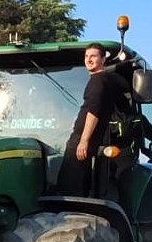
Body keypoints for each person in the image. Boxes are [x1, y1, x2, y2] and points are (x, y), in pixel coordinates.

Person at [57, 43, 136, 199]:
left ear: (103, 59)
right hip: (87, 141)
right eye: (86, 56)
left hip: (80, 140)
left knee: (69, 189)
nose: (88, 59)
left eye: (93, 56)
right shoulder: (109, 81)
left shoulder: (97, 81)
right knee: (78, 185)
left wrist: (84, 140)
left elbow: (93, 111)